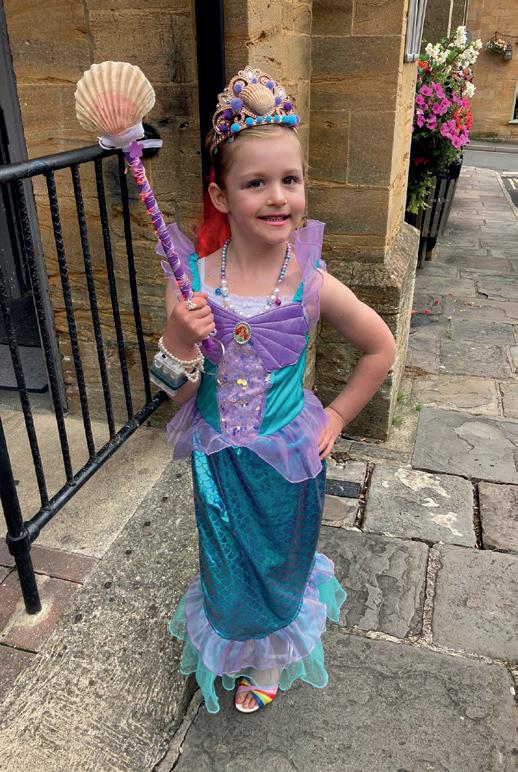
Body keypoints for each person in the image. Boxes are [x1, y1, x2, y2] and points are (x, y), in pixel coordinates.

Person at [151, 66, 396, 715]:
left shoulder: (310, 282)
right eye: (255, 182)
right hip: (220, 464)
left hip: (290, 460)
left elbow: (380, 347)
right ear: (221, 194)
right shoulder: (191, 282)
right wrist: (178, 339)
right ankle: (237, 637)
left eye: (290, 179)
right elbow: (173, 395)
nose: (277, 196)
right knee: (227, 564)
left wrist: (337, 415)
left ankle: (269, 656)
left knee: (281, 564)